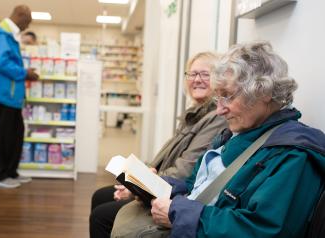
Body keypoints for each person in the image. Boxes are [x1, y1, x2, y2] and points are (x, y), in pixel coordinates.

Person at [111, 41, 325, 238]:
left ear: (264, 92)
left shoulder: (293, 156)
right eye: (218, 97)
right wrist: (156, 186)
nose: (220, 109)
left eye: (228, 96)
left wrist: (177, 213)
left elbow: (262, 230)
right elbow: (196, 186)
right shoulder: (240, 133)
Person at [89, 52, 228, 237]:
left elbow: (185, 170)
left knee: (101, 215)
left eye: (204, 74)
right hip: (160, 185)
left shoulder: (216, 118)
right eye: (192, 74)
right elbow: (165, 158)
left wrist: (140, 187)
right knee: (100, 196)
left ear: (218, 80)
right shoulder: (194, 113)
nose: (197, 80)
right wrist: (138, 181)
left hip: (173, 195)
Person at [0, 5, 39, 189]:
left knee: (15, 134)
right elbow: (1, 62)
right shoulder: (1, 34)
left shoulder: (8, 36)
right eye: (27, 21)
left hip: (11, 95)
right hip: (3, 94)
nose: (27, 25)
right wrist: (24, 73)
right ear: (20, 16)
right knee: (4, 135)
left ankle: (11, 172)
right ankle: (1, 175)